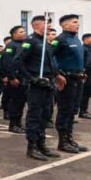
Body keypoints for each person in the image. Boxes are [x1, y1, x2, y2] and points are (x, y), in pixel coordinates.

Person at [13, 16, 62, 160]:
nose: (50, 26)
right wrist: (31, 79)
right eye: (47, 24)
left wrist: (56, 75)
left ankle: (41, 144)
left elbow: (50, 62)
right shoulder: (30, 41)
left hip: (48, 83)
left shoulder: (45, 42)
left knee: (45, 115)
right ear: (37, 25)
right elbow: (18, 62)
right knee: (35, 115)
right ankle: (32, 146)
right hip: (36, 84)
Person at [52, 14, 88, 153]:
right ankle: (62, 142)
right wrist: (58, 74)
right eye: (74, 22)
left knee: (73, 110)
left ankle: (69, 138)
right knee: (65, 110)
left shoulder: (76, 39)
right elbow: (50, 57)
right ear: (64, 25)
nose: (77, 24)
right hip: (66, 80)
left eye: (77, 22)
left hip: (78, 79)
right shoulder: (60, 40)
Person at [0, 26, 27, 134]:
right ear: (14, 34)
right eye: (21, 32)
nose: (24, 33)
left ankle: (18, 123)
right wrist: (12, 77)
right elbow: (7, 63)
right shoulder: (11, 46)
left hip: (23, 77)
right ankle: (13, 124)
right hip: (15, 78)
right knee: (15, 102)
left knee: (21, 102)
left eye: (24, 31)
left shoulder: (23, 44)